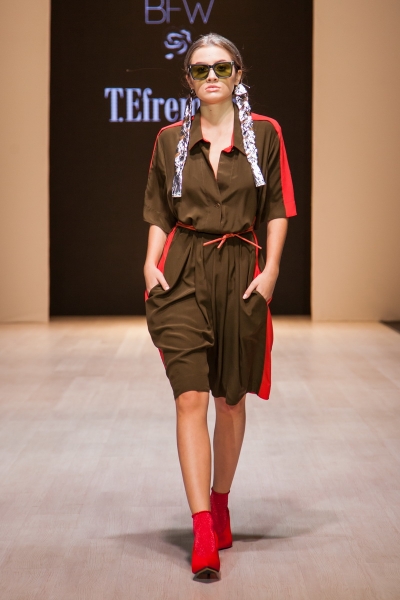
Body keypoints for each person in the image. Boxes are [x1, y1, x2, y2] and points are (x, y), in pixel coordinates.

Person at [143, 33, 296, 581]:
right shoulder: (169, 139)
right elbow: (159, 211)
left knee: (230, 400)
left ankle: (221, 502)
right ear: (187, 78)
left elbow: (276, 206)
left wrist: (270, 272)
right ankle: (203, 528)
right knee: (190, 396)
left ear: (238, 74)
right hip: (182, 270)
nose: (212, 76)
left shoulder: (265, 132)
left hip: (240, 272)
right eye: (200, 69)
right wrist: (149, 263)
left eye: (222, 67)